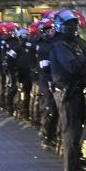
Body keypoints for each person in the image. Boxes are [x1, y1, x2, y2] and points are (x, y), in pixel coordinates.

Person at [50, 9, 86, 171]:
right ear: (60, 27)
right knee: (71, 134)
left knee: (77, 133)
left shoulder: (72, 45)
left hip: (75, 92)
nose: (73, 28)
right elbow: (72, 67)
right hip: (67, 94)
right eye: (69, 25)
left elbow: (80, 69)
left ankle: (76, 165)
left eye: (74, 25)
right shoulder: (59, 46)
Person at [35, 18, 60, 151]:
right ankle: (47, 137)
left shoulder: (55, 43)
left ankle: (54, 134)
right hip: (47, 79)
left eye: (52, 30)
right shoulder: (43, 46)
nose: (51, 32)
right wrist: (50, 81)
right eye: (48, 30)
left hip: (55, 79)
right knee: (50, 107)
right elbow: (45, 67)